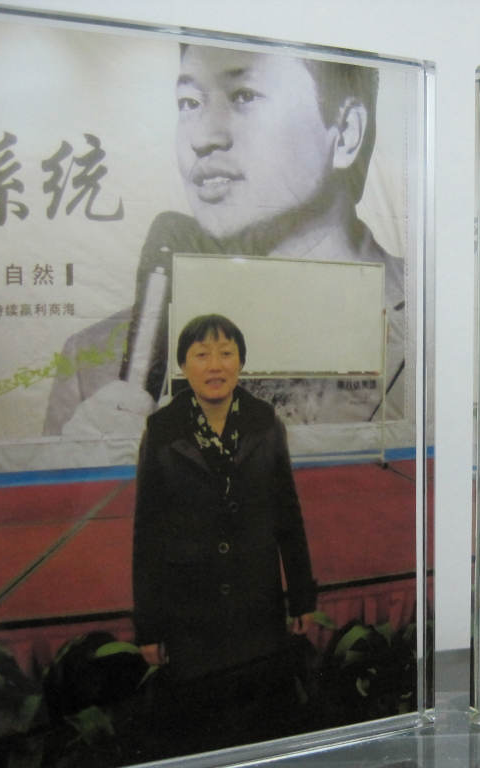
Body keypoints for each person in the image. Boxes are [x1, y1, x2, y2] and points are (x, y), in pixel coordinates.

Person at [44, 43, 405, 436]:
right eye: (189, 102)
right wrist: (88, 468)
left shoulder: (430, 321)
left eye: (244, 96)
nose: (202, 137)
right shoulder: (94, 365)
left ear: (347, 132)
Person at [132, 314, 317, 753]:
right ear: (184, 366)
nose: (215, 365)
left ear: (240, 362)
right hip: (191, 613)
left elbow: (288, 515)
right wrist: (149, 626)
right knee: (202, 733)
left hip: (258, 604)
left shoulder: (265, 422)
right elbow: (148, 533)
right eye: (201, 354)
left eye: (226, 353)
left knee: (263, 728)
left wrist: (301, 596)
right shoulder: (162, 430)